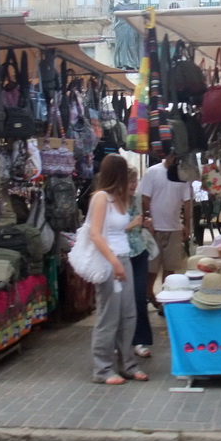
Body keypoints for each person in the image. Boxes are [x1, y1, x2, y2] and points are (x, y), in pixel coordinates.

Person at [87, 153, 148, 385]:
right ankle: (102, 369)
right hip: (110, 262)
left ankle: (128, 364)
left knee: (128, 315)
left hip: (124, 259)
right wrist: (113, 262)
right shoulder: (101, 197)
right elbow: (95, 233)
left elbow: (119, 231)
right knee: (109, 316)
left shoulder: (119, 199)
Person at [139, 152, 193, 310]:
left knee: (170, 267)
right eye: (170, 154)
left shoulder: (182, 175)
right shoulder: (152, 172)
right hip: (154, 228)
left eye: (175, 155)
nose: (173, 157)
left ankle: (166, 300)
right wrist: (148, 220)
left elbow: (187, 202)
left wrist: (187, 225)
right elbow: (145, 199)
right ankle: (149, 294)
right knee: (151, 268)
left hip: (174, 227)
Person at [125, 167, 153, 358]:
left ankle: (140, 340)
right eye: (130, 181)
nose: (134, 185)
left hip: (139, 250)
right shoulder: (111, 201)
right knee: (122, 301)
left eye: (135, 180)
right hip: (121, 254)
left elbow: (137, 221)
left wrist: (144, 223)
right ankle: (122, 340)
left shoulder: (136, 198)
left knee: (139, 296)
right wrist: (132, 224)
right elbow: (109, 230)